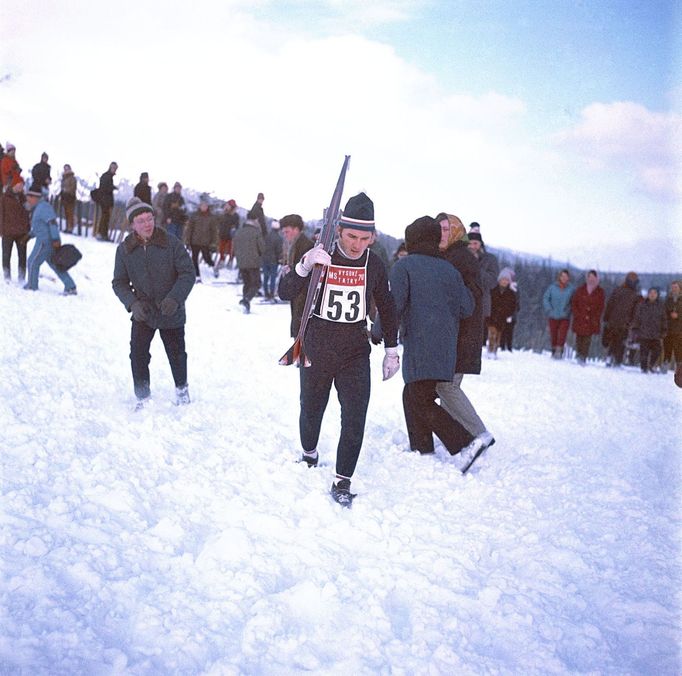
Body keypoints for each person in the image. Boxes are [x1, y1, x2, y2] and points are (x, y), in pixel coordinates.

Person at [278, 193, 400, 507]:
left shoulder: (374, 263)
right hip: (317, 344)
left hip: (354, 350)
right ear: (339, 231)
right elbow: (284, 292)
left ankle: (343, 479)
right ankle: (309, 454)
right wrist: (305, 266)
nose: (357, 244)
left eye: (364, 238)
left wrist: (391, 349)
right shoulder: (320, 253)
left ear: (372, 236)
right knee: (311, 407)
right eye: (351, 236)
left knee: (355, 416)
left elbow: (387, 307)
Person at [390, 215, 478, 469]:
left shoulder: (404, 266)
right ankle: (423, 449)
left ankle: (466, 443)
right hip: (446, 348)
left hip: (420, 344)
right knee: (414, 394)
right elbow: (467, 307)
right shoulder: (450, 269)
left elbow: (393, 305)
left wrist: (378, 332)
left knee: (419, 398)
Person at [112, 197, 195, 408]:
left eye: (149, 219)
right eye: (141, 221)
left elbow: (187, 273)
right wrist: (132, 303)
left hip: (171, 309)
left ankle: (182, 390)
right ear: (132, 225)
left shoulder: (171, 243)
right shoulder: (125, 250)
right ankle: (142, 396)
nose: (147, 224)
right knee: (138, 355)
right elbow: (119, 283)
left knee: (177, 354)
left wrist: (175, 298)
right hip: (144, 310)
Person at [434, 213, 494, 456]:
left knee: (447, 386)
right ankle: (458, 437)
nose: (442, 234)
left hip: (461, 334)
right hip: (457, 332)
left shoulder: (460, 257)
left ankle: (479, 434)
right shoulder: (453, 255)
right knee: (447, 385)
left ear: (458, 231)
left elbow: (467, 299)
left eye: (447, 229)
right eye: (439, 229)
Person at [24, 184, 77, 294]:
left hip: (45, 242)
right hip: (46, 240)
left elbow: (52, 223)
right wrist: (29, 235)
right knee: (55, 264)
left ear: (35, 197)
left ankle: (31, 285)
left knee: (33, 261)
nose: (27, 198)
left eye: (29, 196)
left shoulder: (44, 207)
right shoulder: (39, 208)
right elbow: (40, 226)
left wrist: (55, 239)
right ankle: (70, 286)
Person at [280, 214, 314, 336]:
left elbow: (304, 278)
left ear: (296, 229)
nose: (285, 235)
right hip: (298, 299)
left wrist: (290, 273)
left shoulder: (306, 247)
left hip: (303, 301)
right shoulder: (295, 245)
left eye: (287, 231)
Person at [604, 272, 641, 367]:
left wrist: (631, 322)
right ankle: (610, 357)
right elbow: (610, 305)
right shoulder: (618, 290)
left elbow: (635, 310)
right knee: (613, 340)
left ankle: (617, 360)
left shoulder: (635, 295)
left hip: (625, 322)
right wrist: (606, 318)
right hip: (614, 320)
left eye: (634, 280)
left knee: (621, 341)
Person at [232, 209, 264, 313]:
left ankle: (245, 304)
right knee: (256, 284)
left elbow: (235, 246)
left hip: (241, 262)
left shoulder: (239, 231)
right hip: (253, 262)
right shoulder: (256, 232)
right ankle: (246, 300)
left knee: (247, 283)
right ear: (255, 220)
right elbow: (262, 248)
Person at [571, 270, 605, 365]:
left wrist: (596, 317)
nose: (591, 279)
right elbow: (574, 303)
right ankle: (578, 354)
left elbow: (601, 306)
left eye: (593, 278)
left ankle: (583, 356)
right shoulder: (580, 289)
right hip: (580, 318)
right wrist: (577, 314)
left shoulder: (600, 292)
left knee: (587, 339)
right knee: (579, 337)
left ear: (596, 279)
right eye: (589, 277)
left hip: (591, 320)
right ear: (587, 278)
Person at [1, 178, 30, 282]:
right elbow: (1, 214)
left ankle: (22, 277)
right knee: (6, 255)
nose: (21, 187)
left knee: (22, 256)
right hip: (8, 231)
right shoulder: (4, 198)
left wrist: (28, 229)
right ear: (13, 185)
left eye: (22, 185)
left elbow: (28, 214)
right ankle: (6, 276)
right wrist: (1, 230)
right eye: (19, 185)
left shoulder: (24, 199)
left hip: (22, 233)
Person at [543, 269, 575, 359]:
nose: (564, 278)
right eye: (562, 276)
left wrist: (569, 310)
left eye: (566, 276)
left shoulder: (571, 289)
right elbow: (545, 298)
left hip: (565, 316)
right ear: (559, 277)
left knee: (562, 335)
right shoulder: (552, 287)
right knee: (554, 334)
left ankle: (559, 352)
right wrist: (548, 309)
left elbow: (574, 302)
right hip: (553, 315)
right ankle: (553, 351)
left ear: (568, 278)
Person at [633, 287, 667, 373]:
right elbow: (637, 318)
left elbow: (664, 319)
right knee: (643, 352)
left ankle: (651, 365)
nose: (652, 295)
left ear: (657, 295)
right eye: (651, 293)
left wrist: (664, 330)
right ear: (648, 294)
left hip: (656, 334)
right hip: (644, 333)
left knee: (657, 351)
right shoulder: (642, 305)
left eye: (654, 293)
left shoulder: (660, 306)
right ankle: (643, 368)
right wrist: (635, 329)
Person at [184, 198, 217, 281]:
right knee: (194, 258)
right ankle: (197, 275)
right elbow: (189, 229)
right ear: (199, 206)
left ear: (207, 207)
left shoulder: (211, 217)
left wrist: (214, 243)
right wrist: (187, 241)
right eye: (202, 205)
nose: (204, 207)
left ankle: (213, 266)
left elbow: (214, 231)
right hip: (194, 241)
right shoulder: (194, 216)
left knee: (207, 258)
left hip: (206, 242)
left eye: (205, 205)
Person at [487, 269, 517, 358]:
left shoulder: (511, 294)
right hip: (492, 316)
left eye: (506, 280)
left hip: (502, 318)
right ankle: (490, 350)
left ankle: (495, 349)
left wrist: (509, 315)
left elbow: (513, 306)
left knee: (498, 335)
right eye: (503, 279)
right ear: (499, 280)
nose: (504, 281)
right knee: (492, 333)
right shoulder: (493, 291)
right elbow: (489, 303)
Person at [214, 199, 239, 274]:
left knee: (230, 249)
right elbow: (219, 222)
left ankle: (230, 261)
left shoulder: (235, 215)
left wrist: (234, 229)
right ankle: (222, 260)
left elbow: (236, 225)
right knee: (221, 248)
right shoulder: (223, 214)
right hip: (222, 234)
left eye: (229, 206)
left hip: (230, 235)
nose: (227, 207)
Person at [96, 161, 118, 241]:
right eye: (113, 168)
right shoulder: (107, 176)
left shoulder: (107, 176)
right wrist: (112, 187)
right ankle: (102, 234)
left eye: (115, 168)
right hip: (105, 201)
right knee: (105, 218)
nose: (114, 170)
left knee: (105, 218)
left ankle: (102, 234)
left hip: (105, 200)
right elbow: (104, 188)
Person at [262, 218, 283, 301]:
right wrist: (280, 259)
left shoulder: (266, 236)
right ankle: (271, 294)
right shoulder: (279, 238)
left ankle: (265, 292)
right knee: (273, 278)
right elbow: (279, 251)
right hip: (273, 261)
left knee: (265, 277)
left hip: (265, 259)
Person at [662, 281, 681, 371]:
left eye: (676, 287)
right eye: (672, 287)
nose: (674, 289)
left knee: (679, 352)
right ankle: (664, 369)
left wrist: (678, 316)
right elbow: (663, 313)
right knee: (667, 350)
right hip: (668, 329)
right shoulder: (667, 300)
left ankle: (679, 371)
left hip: (679, 331)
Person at [499, 267, 519, 351]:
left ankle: (509, 347)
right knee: (502, 330)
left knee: (509, 331)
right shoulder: (501, 288)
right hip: (501, 314)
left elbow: (517, 302)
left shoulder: (514, 288)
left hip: (512, 314)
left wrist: (514, 312)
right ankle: (502, 346)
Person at [60, 164, 77, 233]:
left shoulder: (72, 178)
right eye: (65, 169)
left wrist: (66, 190)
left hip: (70, 197)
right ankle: (67, 227)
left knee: (70, 213)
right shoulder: (63, 178)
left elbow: (73, 188)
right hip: (65, 198)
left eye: (67, 169)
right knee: (66, 213)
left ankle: (70, 227)